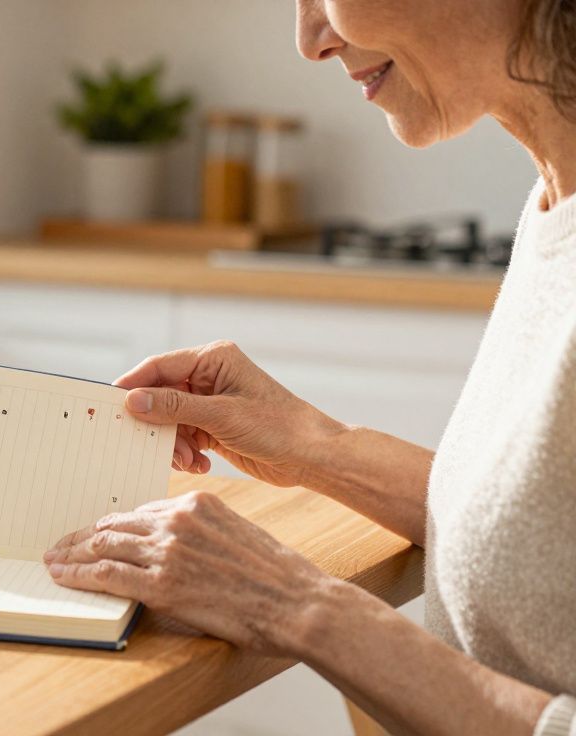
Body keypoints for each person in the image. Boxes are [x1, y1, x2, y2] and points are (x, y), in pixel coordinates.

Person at [43, 1, 576, 734]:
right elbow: (545, 537)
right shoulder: (556, 200)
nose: (310, 38)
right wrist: (312, 443)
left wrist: (296, 606)